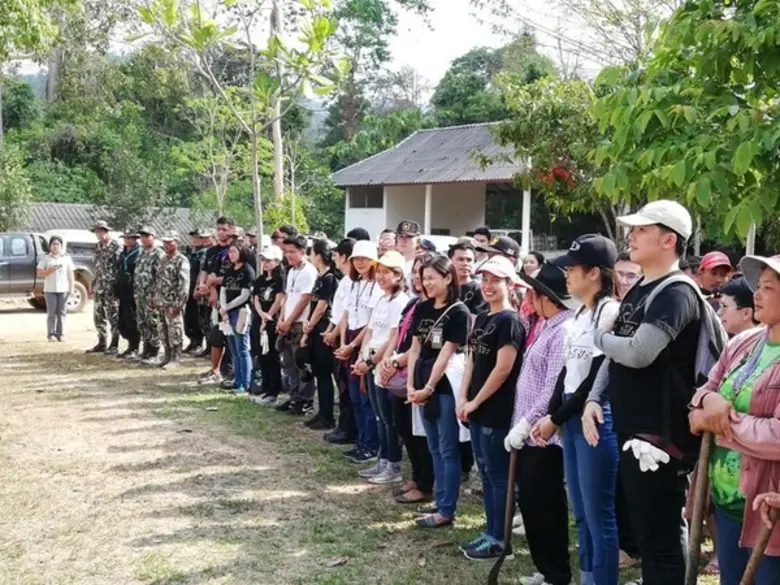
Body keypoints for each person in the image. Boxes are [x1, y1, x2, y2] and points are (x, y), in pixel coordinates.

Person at [582, 200, 703, 585]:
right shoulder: (640, 291)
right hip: (636, 432)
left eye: (641, 230)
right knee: (649, 534)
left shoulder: (676, 293)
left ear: (669, 240)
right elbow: (616, 358)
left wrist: (600, 337)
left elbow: (637, 352)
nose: (631, 236)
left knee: (662, 537)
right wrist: (592, 399)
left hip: (661, 437)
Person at [532, 235, 621, 585]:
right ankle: (587, 577)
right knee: (581, 514)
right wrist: (552, 414)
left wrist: (556, 417)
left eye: (572, 268)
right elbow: (568, 373)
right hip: (572, 418)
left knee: (600, 516)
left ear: (595, 273)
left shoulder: (608, 311)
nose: (566, 275)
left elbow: (598, 376)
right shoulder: (581, 312)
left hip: (596, 419)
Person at [688, 254, 780, 585]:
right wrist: (709, 403)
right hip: (726, 500)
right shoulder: (743, 343)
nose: (756, 294)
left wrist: (721, 424)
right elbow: (701, 396)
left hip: (769, 508)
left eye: (768, 287)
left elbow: (777, 436)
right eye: (758, 285)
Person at [506, 261, 575, 585]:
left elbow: (553, 387)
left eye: (534, 293)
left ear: (545, 296)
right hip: (529, 432)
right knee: (533, 503)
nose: (530, 299)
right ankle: (547, 571)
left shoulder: (563, 329)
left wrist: (527, 423)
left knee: (544, 504)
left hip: (544, 436)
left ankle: (556, 574)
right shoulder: (547, 325)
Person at [456, 255, 525, 560]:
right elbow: (472, 360)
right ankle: (490, 532)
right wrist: (463, 398)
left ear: (509, 284)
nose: (488, 286)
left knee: (498, 476)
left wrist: (476, 400)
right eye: (484, 279)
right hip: (476, 407)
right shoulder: (483, 316)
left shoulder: (511, 321)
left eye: (495, 280)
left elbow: (503, 369)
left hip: (496, 409)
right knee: (484, 472)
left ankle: (501, 540)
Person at [406, 254, 471, 529]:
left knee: (447, 448)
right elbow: (415, 348)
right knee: (433, 446)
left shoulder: (459, 312)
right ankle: (440, 498)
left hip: (443, 386)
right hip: (421, 382)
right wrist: (411, 384)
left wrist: (428, 387)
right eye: (423, 278)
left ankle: (447, 508)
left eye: (432, 277)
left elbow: (446, 354)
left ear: (448, 278)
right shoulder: (422, 308)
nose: (426, 283)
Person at [378, 254, 435, 504]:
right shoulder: (413, 304)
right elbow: (399, 335)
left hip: (419, 375)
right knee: (404, 429)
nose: (418, 278)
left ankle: (426, 484)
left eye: (423, 273)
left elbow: (424, 345)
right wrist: (388, 359)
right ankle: (416, 476)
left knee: (421, 434)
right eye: (415, 273)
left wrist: (397, 361)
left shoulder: (438, 308)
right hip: (399, 373)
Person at [353, 251, 409, 484]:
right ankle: (382, 460)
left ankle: (393, 465)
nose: (381, 276)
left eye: (387, 272)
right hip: (370, 361)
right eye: (380, 272)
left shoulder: (401, 302)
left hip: (384, 365)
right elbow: (372, 330)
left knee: (389, 419)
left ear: (398, 275)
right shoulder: (382, 299)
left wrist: (373, 362)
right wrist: (361, 355)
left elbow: (393, 337)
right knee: (379, 416)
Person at [335, 240, 384, 463]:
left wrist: (353, 346)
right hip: (350, 340)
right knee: (353, 395)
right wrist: (344, 341)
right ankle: (361, 441)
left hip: (365, 343)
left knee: (365, 398)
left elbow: (371, 323)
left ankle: (371, 445)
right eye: (357, 259)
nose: (361, 263)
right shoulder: (353, 283)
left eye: (365, 258)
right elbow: (346, 314)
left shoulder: (376, 286)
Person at [275, 234, 318, 414]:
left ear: (303, 251)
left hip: (300, 323)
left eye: (293, 252)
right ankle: (294, 397)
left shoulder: (309, 271)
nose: (289, 255)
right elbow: (287, 297)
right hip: (287, 322)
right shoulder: (291, 271)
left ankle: (306, 400)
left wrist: (290, 321)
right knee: (288, 363)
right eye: (286, 252)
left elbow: (304, 300)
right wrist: (281, 319)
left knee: (301, 364)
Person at [323, 239, 359, 446]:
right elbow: (338, 312)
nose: (334, 258)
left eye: (337, 254)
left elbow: (345, 314)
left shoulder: (351, 281)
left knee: (346, 387)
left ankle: (348, 429)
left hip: (345, 337)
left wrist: (335, 333)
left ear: (345, 257)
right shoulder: (346, 280)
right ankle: (343, 426)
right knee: (342, 386)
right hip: (338, 334)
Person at [302, 239, 341, 430]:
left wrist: (309, 325)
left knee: (324, 374)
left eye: (311, 253)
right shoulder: (320, 277)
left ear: (318, 256)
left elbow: (321, 306)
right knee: (318, 372)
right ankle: (321, 412)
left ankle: (327, 416)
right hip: (315, 329)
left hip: (323, 328)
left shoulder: (330, 278)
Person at [198, 217, 235, 385]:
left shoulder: (236, 249)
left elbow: (237, 276)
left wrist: (213, 283)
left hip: (233, 298)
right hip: (215, 299)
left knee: (231, 336)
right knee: (215, 334)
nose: (221, 232)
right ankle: (215, 369)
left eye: (225, 229)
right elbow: (206, 272)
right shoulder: (212, 251)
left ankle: (229, 370)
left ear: (231, 230)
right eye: (219, 229)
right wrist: (203, 286)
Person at [219, 243, 256, 393]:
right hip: (227, 312)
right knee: (233, 349)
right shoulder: (229, 270)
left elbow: (245, 295)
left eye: (234, 251)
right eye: (230, 252)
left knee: (242, 348)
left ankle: (245, 383)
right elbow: (223, 290)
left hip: (240, 312)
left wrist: (227, 307)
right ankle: (237, 379)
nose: (231, 254)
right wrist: (223, 308)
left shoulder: (247, 270)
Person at [251, 245, 286, 404]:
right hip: (260, 318)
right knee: (261, 354)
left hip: (272, 320)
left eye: (269, 260)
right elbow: (256, 298)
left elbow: (279, 300)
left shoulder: (280, 279)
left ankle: (274, 389)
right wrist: (261, 315)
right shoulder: (260, 279)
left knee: (272, 355)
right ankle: (264, 387)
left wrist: (268, 317)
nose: (265, 263)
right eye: (263, 260)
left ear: (277, 261)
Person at [150, 232, 190, 369]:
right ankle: (167, 355)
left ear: (177, 242)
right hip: (161, 302)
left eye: (170, 242)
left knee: (175, 331)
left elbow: (184, 285)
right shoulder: (162, 259)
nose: (167, 245)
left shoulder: (181, 260)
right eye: (165, 242)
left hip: (173, 303)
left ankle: (175, 358)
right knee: (163, 330)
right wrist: (155, 296)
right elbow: (158, 280)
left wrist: (178, 305)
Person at [87, 220, 120, 354]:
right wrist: (92, 285)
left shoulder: (116, 247)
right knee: (98, 316)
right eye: (96, 232)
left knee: (113, 316)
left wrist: (117, 288)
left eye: (100, 231)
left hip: (111, 288)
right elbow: (97, 268)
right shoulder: (97, 247)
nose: (98, 234)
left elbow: (119, 269)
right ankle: (102, 342)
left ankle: (114, 343)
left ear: (106, 232)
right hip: (99, 286)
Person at [134, 226, 164, 363]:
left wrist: (156, 294)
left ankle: (154, 352)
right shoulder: (141, 252)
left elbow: (161, 276)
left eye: (147, 236)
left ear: (154, 237)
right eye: (142, 236)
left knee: (153, 323)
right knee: (142, 322)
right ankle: (146, 350)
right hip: (140, 294)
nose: (144, 239)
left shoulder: (158, 253)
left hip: (151, 295)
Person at [37, 235, 75, 342]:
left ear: (61, 246)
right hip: (50, 290)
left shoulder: (66, 258)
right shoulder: (45, 258)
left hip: (63, 289)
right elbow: (39, 273)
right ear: (50, 246)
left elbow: (70, 274)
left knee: (62, 312)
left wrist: (71, 288)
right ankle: (51, 334)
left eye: (57, 244)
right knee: (51, 313)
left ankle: (60, 333)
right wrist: (49, 271)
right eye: (53, 244)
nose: (55, 246)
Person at [115, 229, 142, 359]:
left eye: (129, 238)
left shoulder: (139, 253)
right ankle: (130, 345)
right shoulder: (123, 252)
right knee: (122, 321)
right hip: (123, 291)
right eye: (125, 238)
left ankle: (135, 346)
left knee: (132, 320)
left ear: (135, 239)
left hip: (133, 291)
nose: (127, 240)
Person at [184, 229, 208, 354]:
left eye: (198, 237)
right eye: (193, 237)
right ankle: (192, 340)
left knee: (197, 317)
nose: (194, 239)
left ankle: (198, 342)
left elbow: (201, 272)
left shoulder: (204, 253)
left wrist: (198, 287)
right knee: (188, 317)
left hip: (196, 288)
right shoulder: (191, 252)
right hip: (187, 287)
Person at [449, 238, 488, 316]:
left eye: (469, 260)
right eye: (460, 259)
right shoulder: (443, 286)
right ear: (450, 261)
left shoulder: (479, 290)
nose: (465, 263)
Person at [395, 220, 421, 290]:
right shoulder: (394, 262)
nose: (403, 240)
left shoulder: (421, 264)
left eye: (409, 236)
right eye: (400, 236)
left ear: (418, 240)